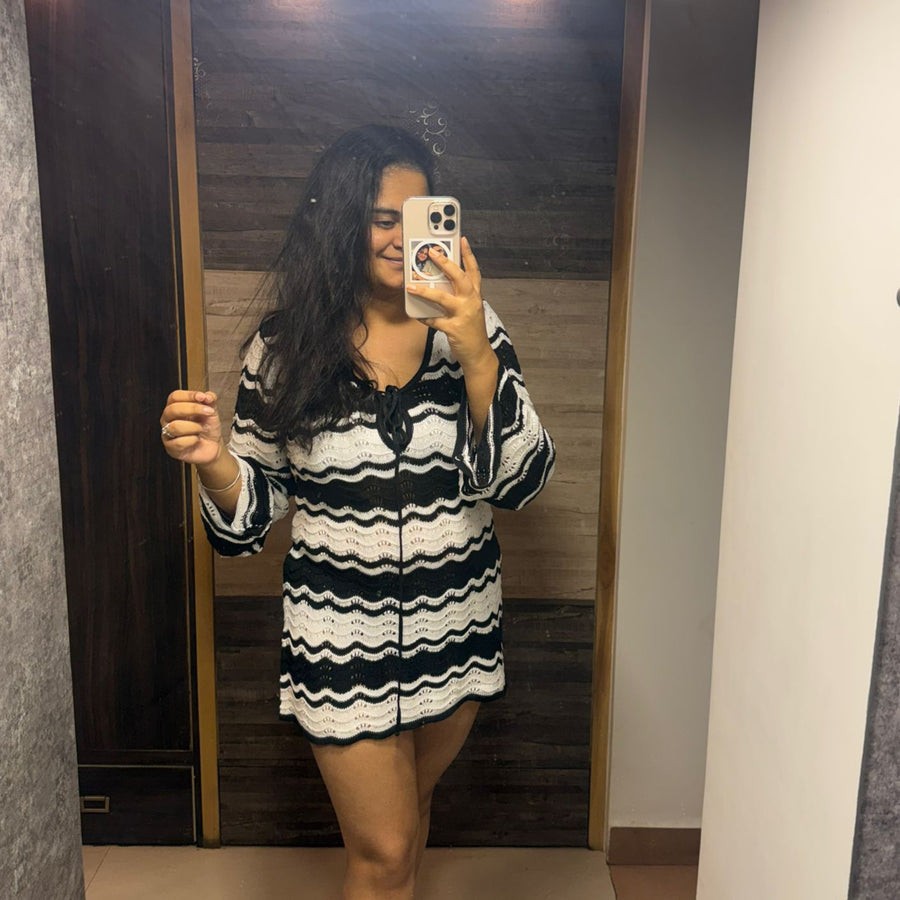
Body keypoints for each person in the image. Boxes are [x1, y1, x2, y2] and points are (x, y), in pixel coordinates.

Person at [160, 124, 555, 900]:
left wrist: (476, 350)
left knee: (410, 821)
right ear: (342, 219)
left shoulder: (473, 329)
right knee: (385, 849)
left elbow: (521, 483)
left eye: (420, 217)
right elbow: (251, 518)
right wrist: (214, 464)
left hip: (456, 627)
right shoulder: (285, 348)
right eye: (381, 218)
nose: (402, 238)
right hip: (340, 639)